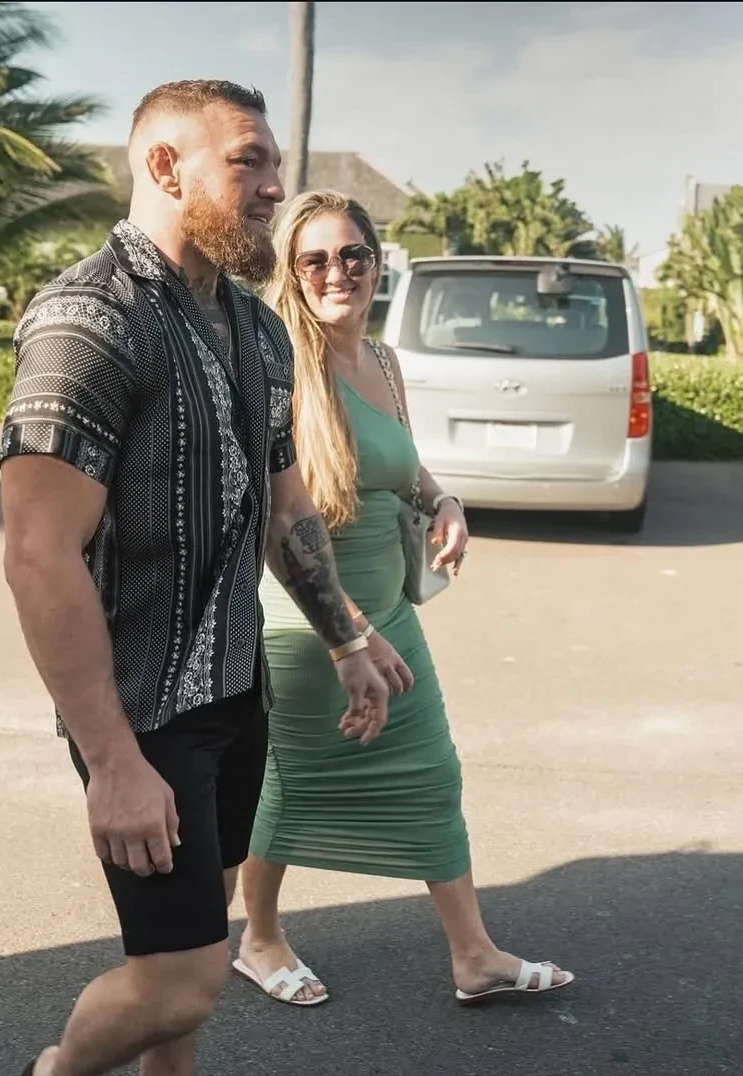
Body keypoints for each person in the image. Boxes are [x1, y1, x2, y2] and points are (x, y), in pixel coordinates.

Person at [0, 86, 397, 1076]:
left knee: (194, 944)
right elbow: (39, 553)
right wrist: (113, 760)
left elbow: (286, 509)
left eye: (275, 166)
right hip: (144, 715)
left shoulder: (256, 330)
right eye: (248, 161)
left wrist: (346, 637)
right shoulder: (90, 320)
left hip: (236, 690)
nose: (274, 188)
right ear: (166, 167)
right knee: (182, 982)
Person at [234, 190, 576, 1008]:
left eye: (354, 254)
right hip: (309, 623)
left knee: (431, 770)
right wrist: (348, 633)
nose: (337, 272)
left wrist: (444, 499)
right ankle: (259, 938)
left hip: (391, 611)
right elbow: (279, 523)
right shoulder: (281, 368)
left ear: (378, 263)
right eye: (315, 259)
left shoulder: (384, 363)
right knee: (291, 783)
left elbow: (404, 466)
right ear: (291, 270)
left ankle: (474, 956)